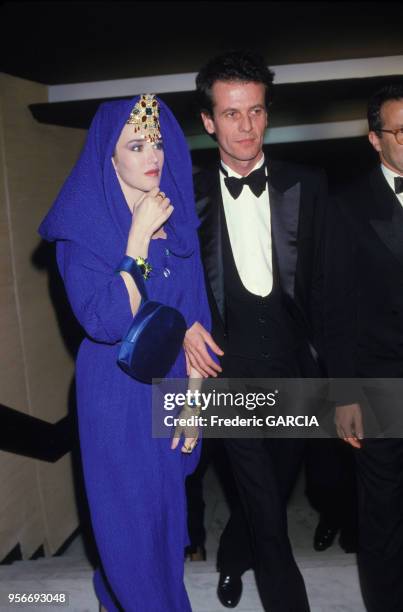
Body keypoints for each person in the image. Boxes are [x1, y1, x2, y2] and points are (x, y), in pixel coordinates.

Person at [38, 94, 211, 612]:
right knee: (128, 538)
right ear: (108, 157)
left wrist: (195, 402)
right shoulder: (81, 228)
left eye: (156, 141)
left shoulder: (174, 217)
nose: (152, 154)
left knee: (162, 530)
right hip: (114, 394)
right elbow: (106, 321)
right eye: (136, 145)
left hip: (170, 389)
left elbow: (197, 320)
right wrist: (135, 241)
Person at [183, 50, 327, 611]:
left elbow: (328, 291)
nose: (246, 126)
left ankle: (228, 554)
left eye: (257, 112)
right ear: (209, 121)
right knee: (269, 515)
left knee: (264, 493)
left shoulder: (307, 186)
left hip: (295, 373)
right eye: (233, 113)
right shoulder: (184, 200)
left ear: (268, 114)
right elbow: (164, 290)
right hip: (227, 376)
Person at [324, 82, 403, 612]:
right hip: (379, 385)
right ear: (375, 140)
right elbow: (334, 309)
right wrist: (344, 392)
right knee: (383, 518)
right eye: (401, 132)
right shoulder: (346, 206)